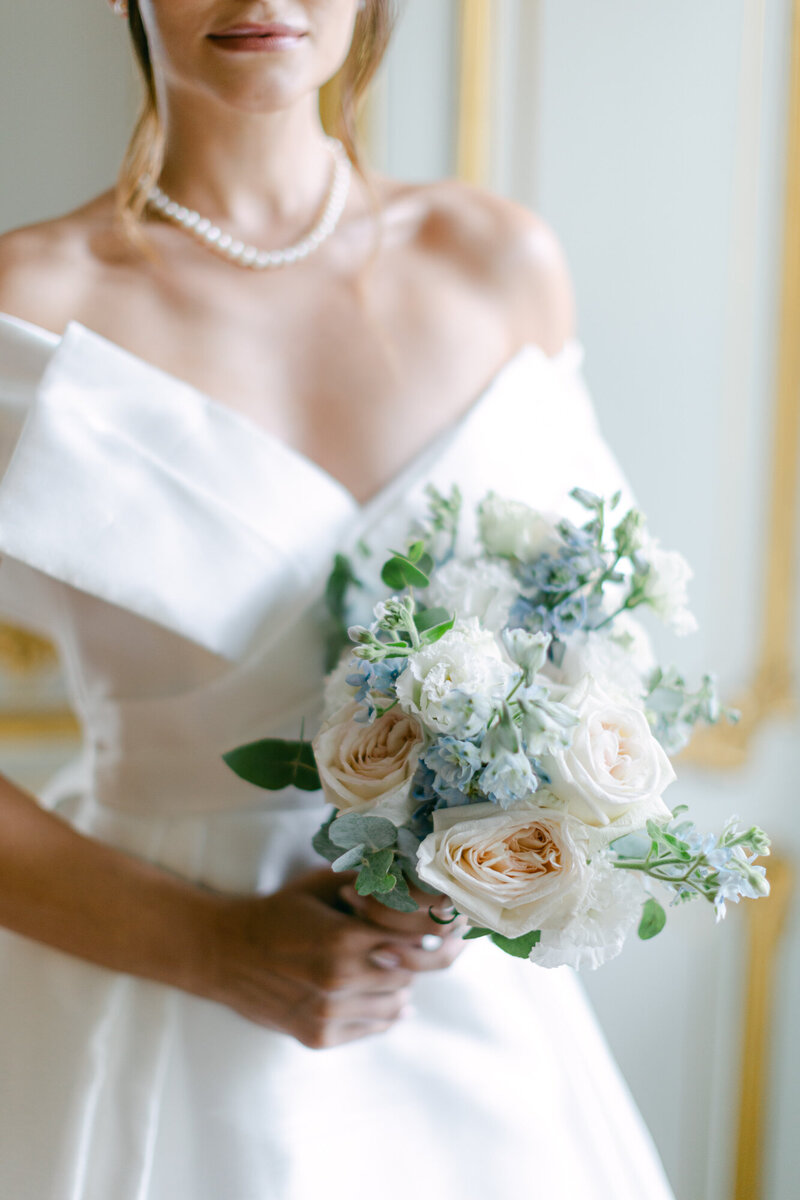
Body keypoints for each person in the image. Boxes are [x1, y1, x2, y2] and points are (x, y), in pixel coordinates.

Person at [0, 2, 677, 1197]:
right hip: (162, 995)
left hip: (474, 1019)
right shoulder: (20, 305)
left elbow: (598, 634)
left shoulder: (495, 259)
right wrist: (207, 948)